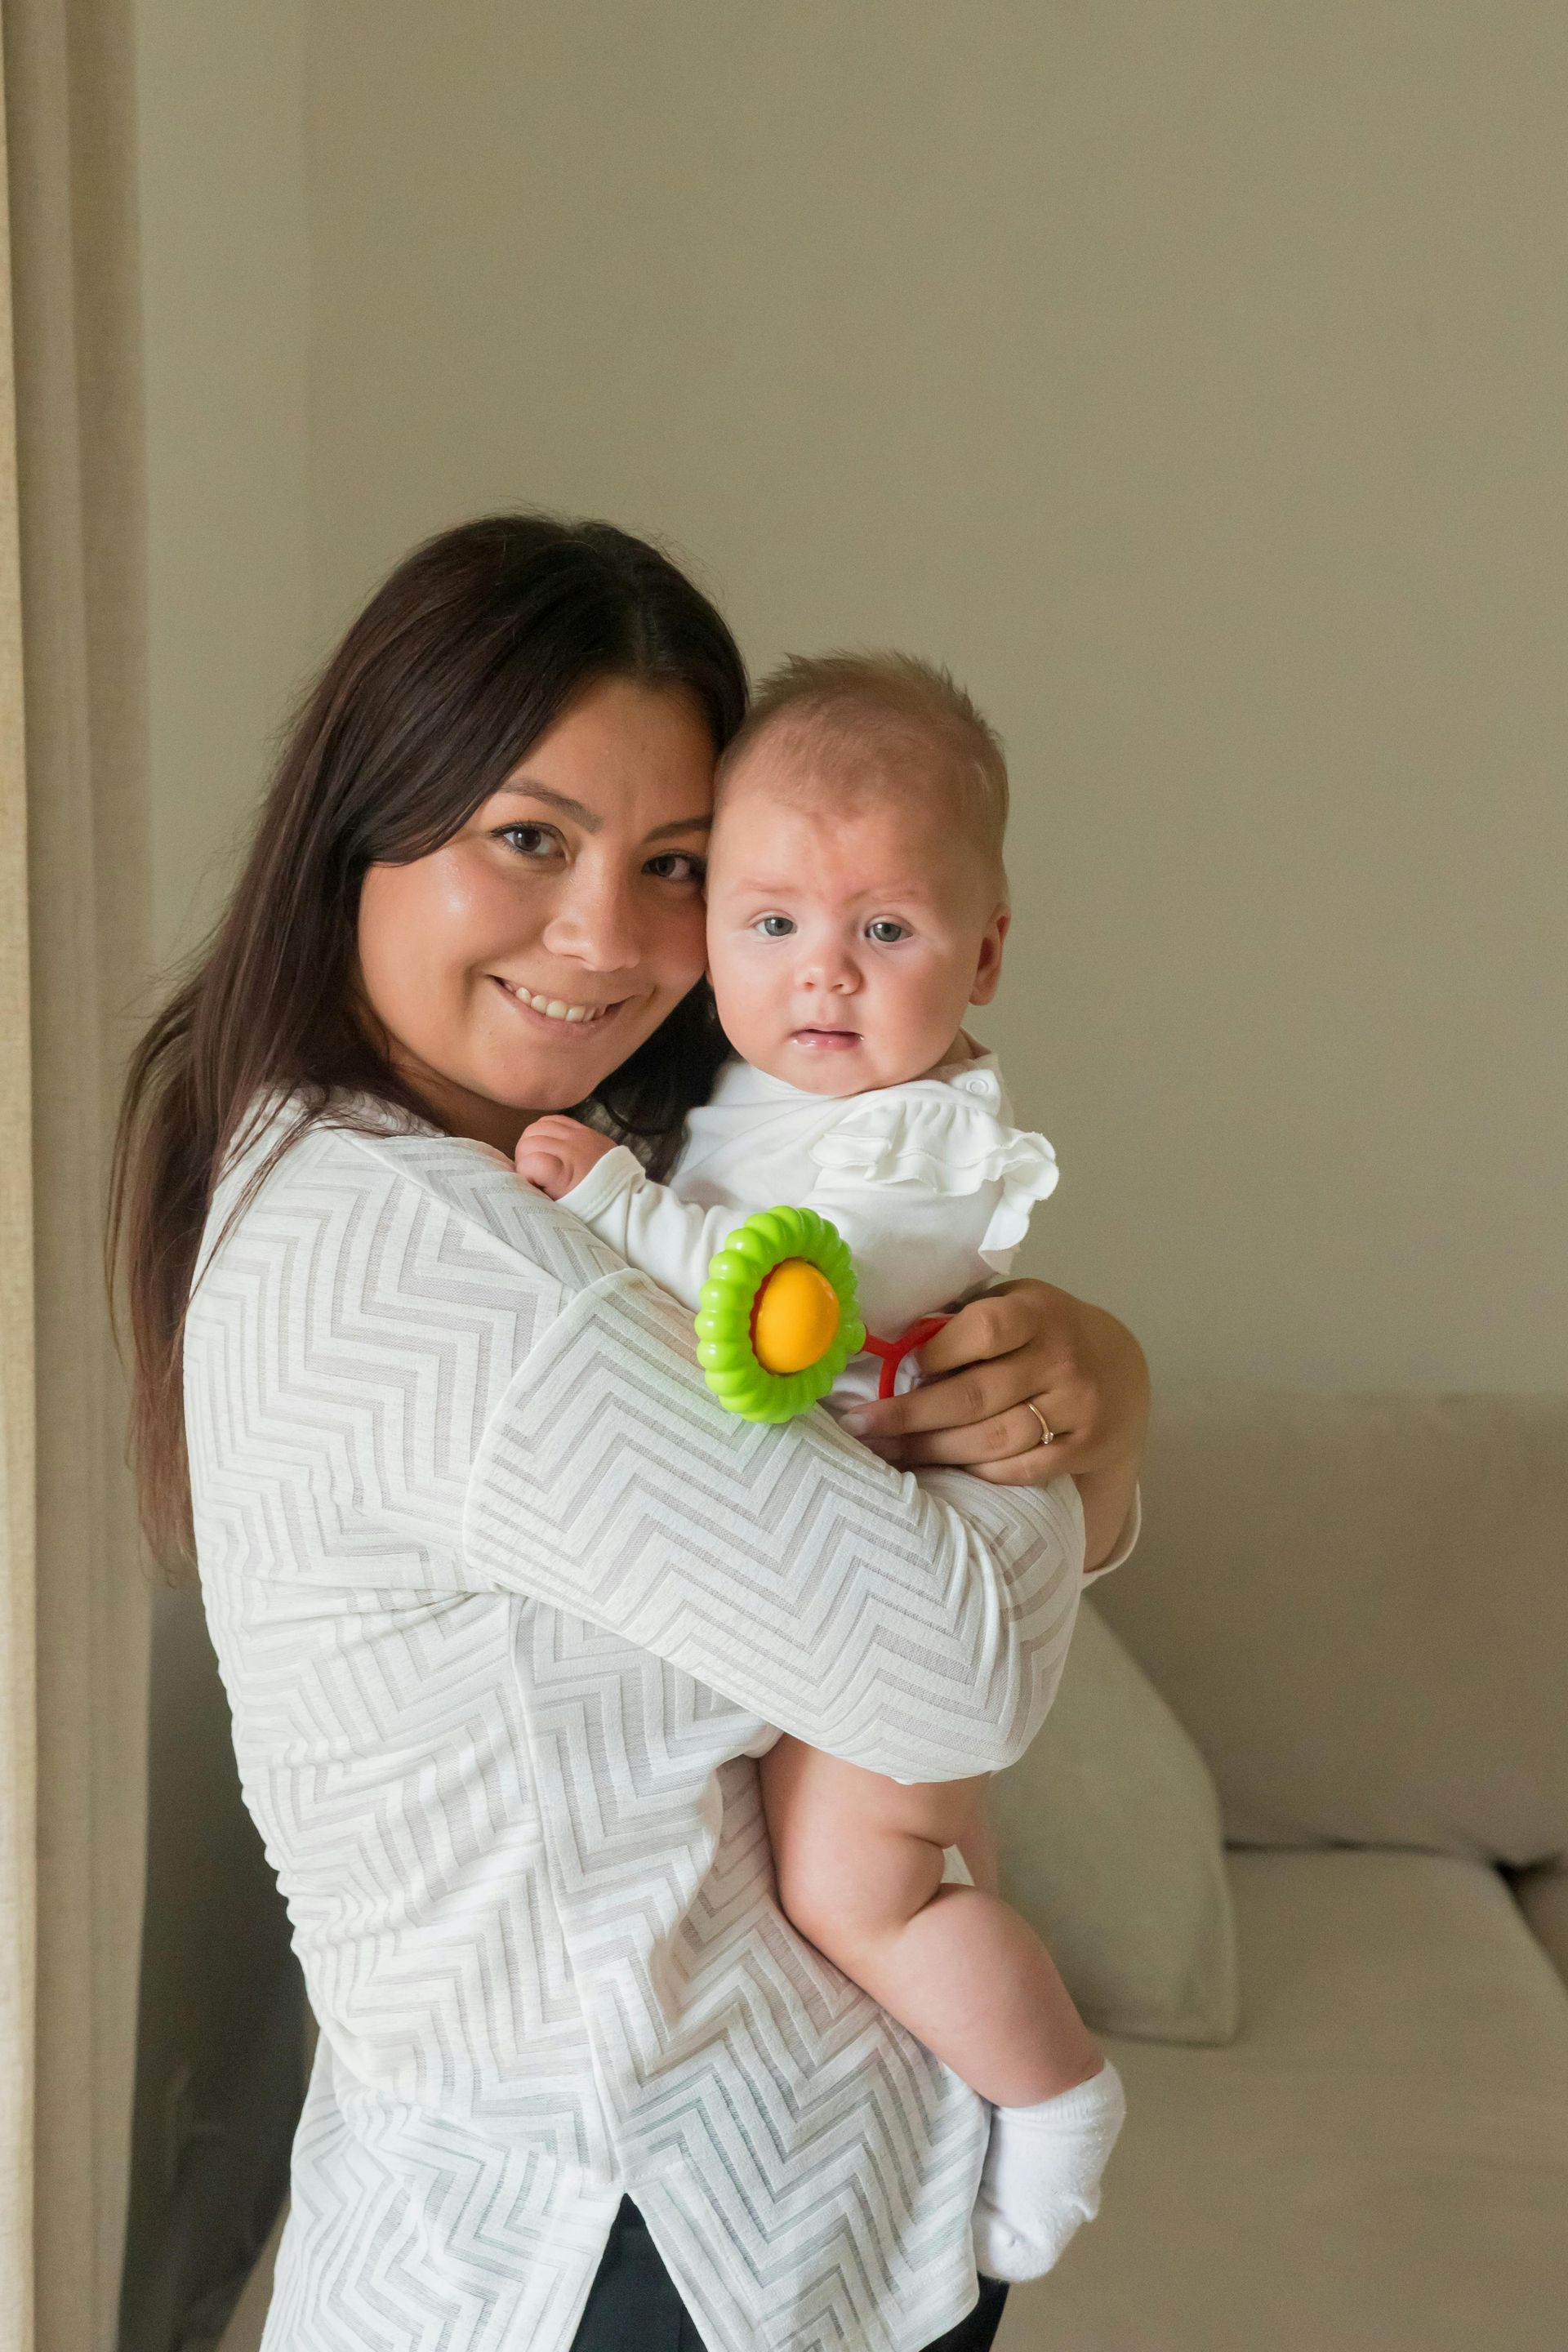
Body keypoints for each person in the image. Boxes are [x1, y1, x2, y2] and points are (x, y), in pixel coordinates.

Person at [111, 514, 1149, 2352]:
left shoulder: (434, 1164)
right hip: (651, 2249)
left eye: (675, 864)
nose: (605, 939)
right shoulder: (438, 1256)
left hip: (683, 2202)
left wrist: (1070, 1403)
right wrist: (1102, 1427)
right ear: (365, 821)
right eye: (529, 837)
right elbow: (956, 1676)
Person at [515, 649, 1126, 2282]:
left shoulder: (915, 1142)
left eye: (889, 931)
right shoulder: (753, 1095)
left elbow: (786, 1306)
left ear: (983, 952)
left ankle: (1057, 2093)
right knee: (929, 1864)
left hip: (920, 1549)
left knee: (859, 1896)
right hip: (862, 1552)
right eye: (773, 923)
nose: (826, 976)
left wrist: (613, 1208)